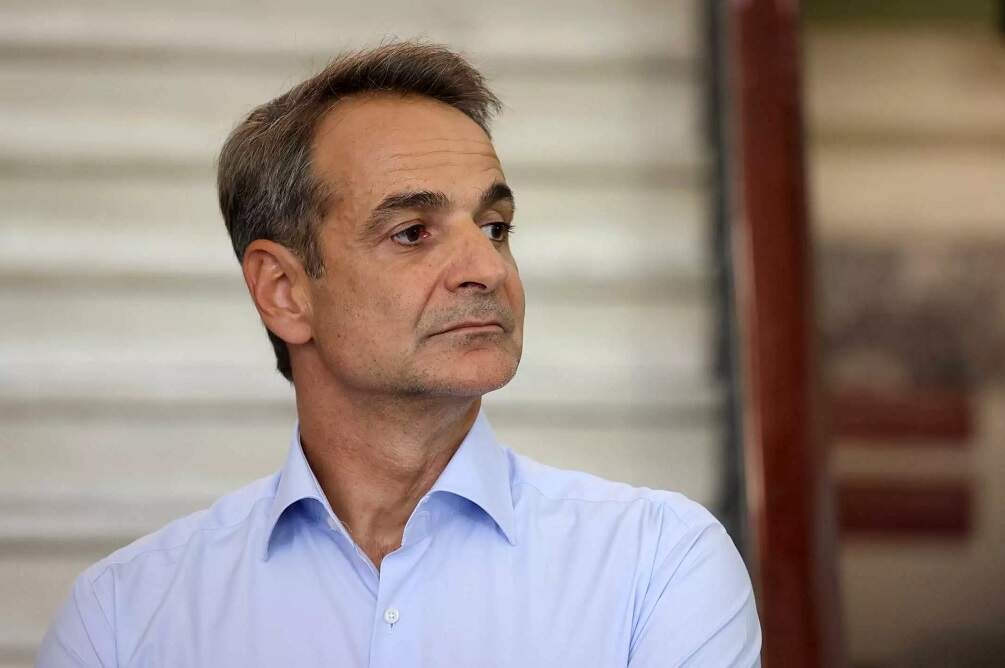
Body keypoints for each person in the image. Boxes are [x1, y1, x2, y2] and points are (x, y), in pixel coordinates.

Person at [37, 42, 761, 667]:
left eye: (496, 226)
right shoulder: (123, 617)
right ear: (284, 291)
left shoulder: (657, 563)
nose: (487, 268)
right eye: (413, 232)